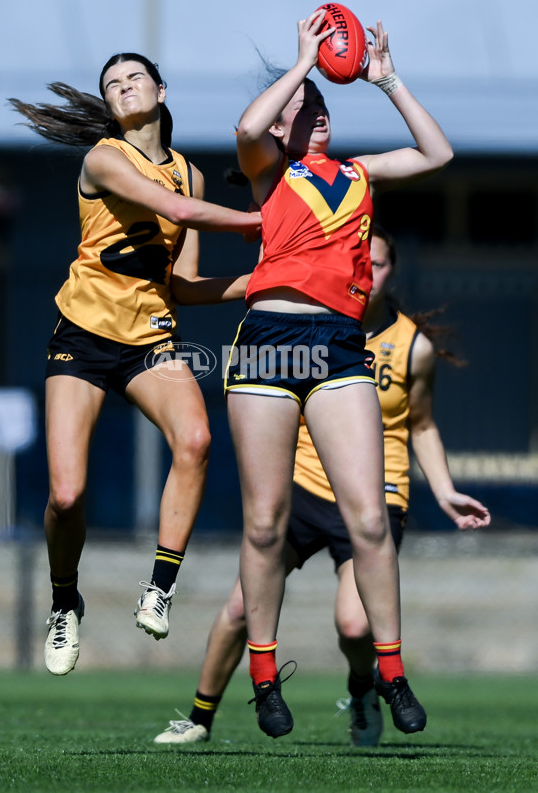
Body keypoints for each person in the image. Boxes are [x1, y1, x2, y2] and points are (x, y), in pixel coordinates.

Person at [153, 224, 491, 746]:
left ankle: (362, 690)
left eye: (379, 265)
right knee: (241, 607)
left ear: (392, 271)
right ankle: (199, 719)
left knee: (355, 627)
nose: (370, 272)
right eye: (364, 262)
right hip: (303, 491)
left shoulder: (412, 347)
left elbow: (421, 424)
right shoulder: (308, 325)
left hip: (374, 497)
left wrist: (444, 490)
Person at [219, 10, 455, 739]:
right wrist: (301, 64)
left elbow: (436, 153)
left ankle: (389, 670)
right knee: (264, 523)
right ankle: (263, 676)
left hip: (338, 343)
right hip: (267, 340)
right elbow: (245, 129)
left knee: (368, 517)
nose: (314, 112)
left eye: (321, 105)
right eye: (303, 107)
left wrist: (387, 81)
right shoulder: (270, 170)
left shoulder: (358, 173)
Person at [9, 53, 261, 676]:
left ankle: (160, 586)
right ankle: (65, 601)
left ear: (161, 90)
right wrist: (267, 222)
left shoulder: (192, 175)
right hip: (84, 338)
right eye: (111, 84)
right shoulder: (105, 157)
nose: (122, 89)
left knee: (198, 440)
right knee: (67, 496)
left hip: (151, 339)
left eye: (133, 79)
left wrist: (264, 277)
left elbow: (186, 285)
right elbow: (175, 213)